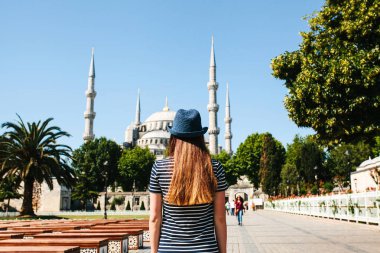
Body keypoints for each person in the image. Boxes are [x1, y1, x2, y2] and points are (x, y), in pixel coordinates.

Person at [149, 109, 228, 253]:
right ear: (200, 137)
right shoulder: (214, 168)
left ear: (173, 137)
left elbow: (155, 218)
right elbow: (220, 218)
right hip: (205, 249)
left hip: (169, 249)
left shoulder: (159, 167)